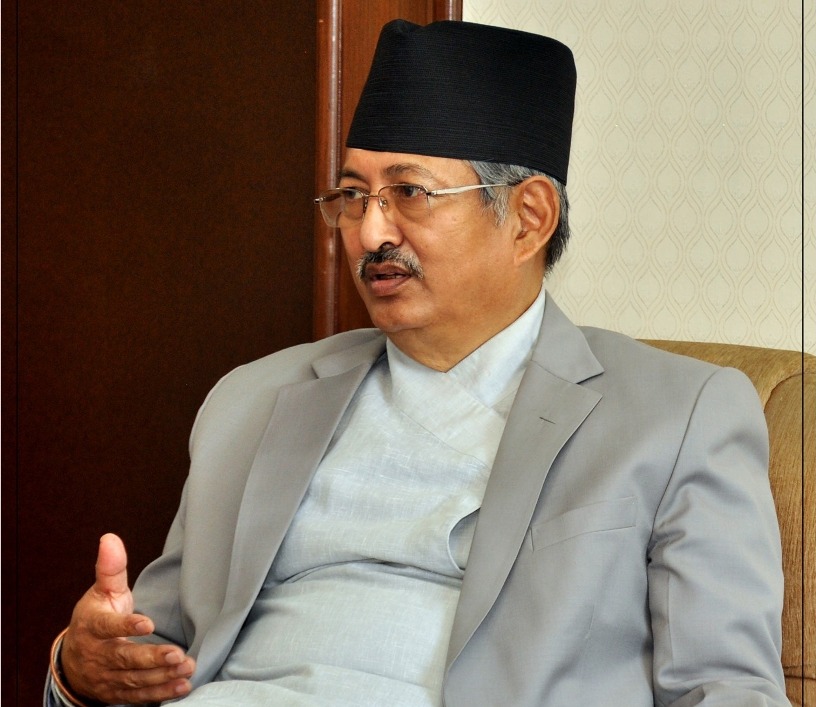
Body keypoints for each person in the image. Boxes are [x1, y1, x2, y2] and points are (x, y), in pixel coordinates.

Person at [47, 19, 789, 707]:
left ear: (529, 218)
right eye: (352, 195)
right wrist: (78, 669)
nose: (371, 232)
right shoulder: (254, 397)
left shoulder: (679, 414)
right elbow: (150, 652)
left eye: (409, 193)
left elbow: (725, 688)